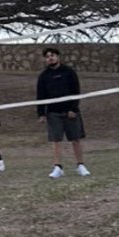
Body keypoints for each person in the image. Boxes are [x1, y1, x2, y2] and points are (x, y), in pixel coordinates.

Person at [36, 46, 89, 178]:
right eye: (47, 56)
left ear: (58, 57)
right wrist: (41, 113)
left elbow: (76, 91)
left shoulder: (69, 72)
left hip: (70, 112)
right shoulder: (43, 76)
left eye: (52, 55)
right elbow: (40, 95)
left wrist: (73, 109)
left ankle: (80, 165)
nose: (50, 58)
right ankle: (58, 167)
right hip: (53, 113)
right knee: (56, 140)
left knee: (76, 139)